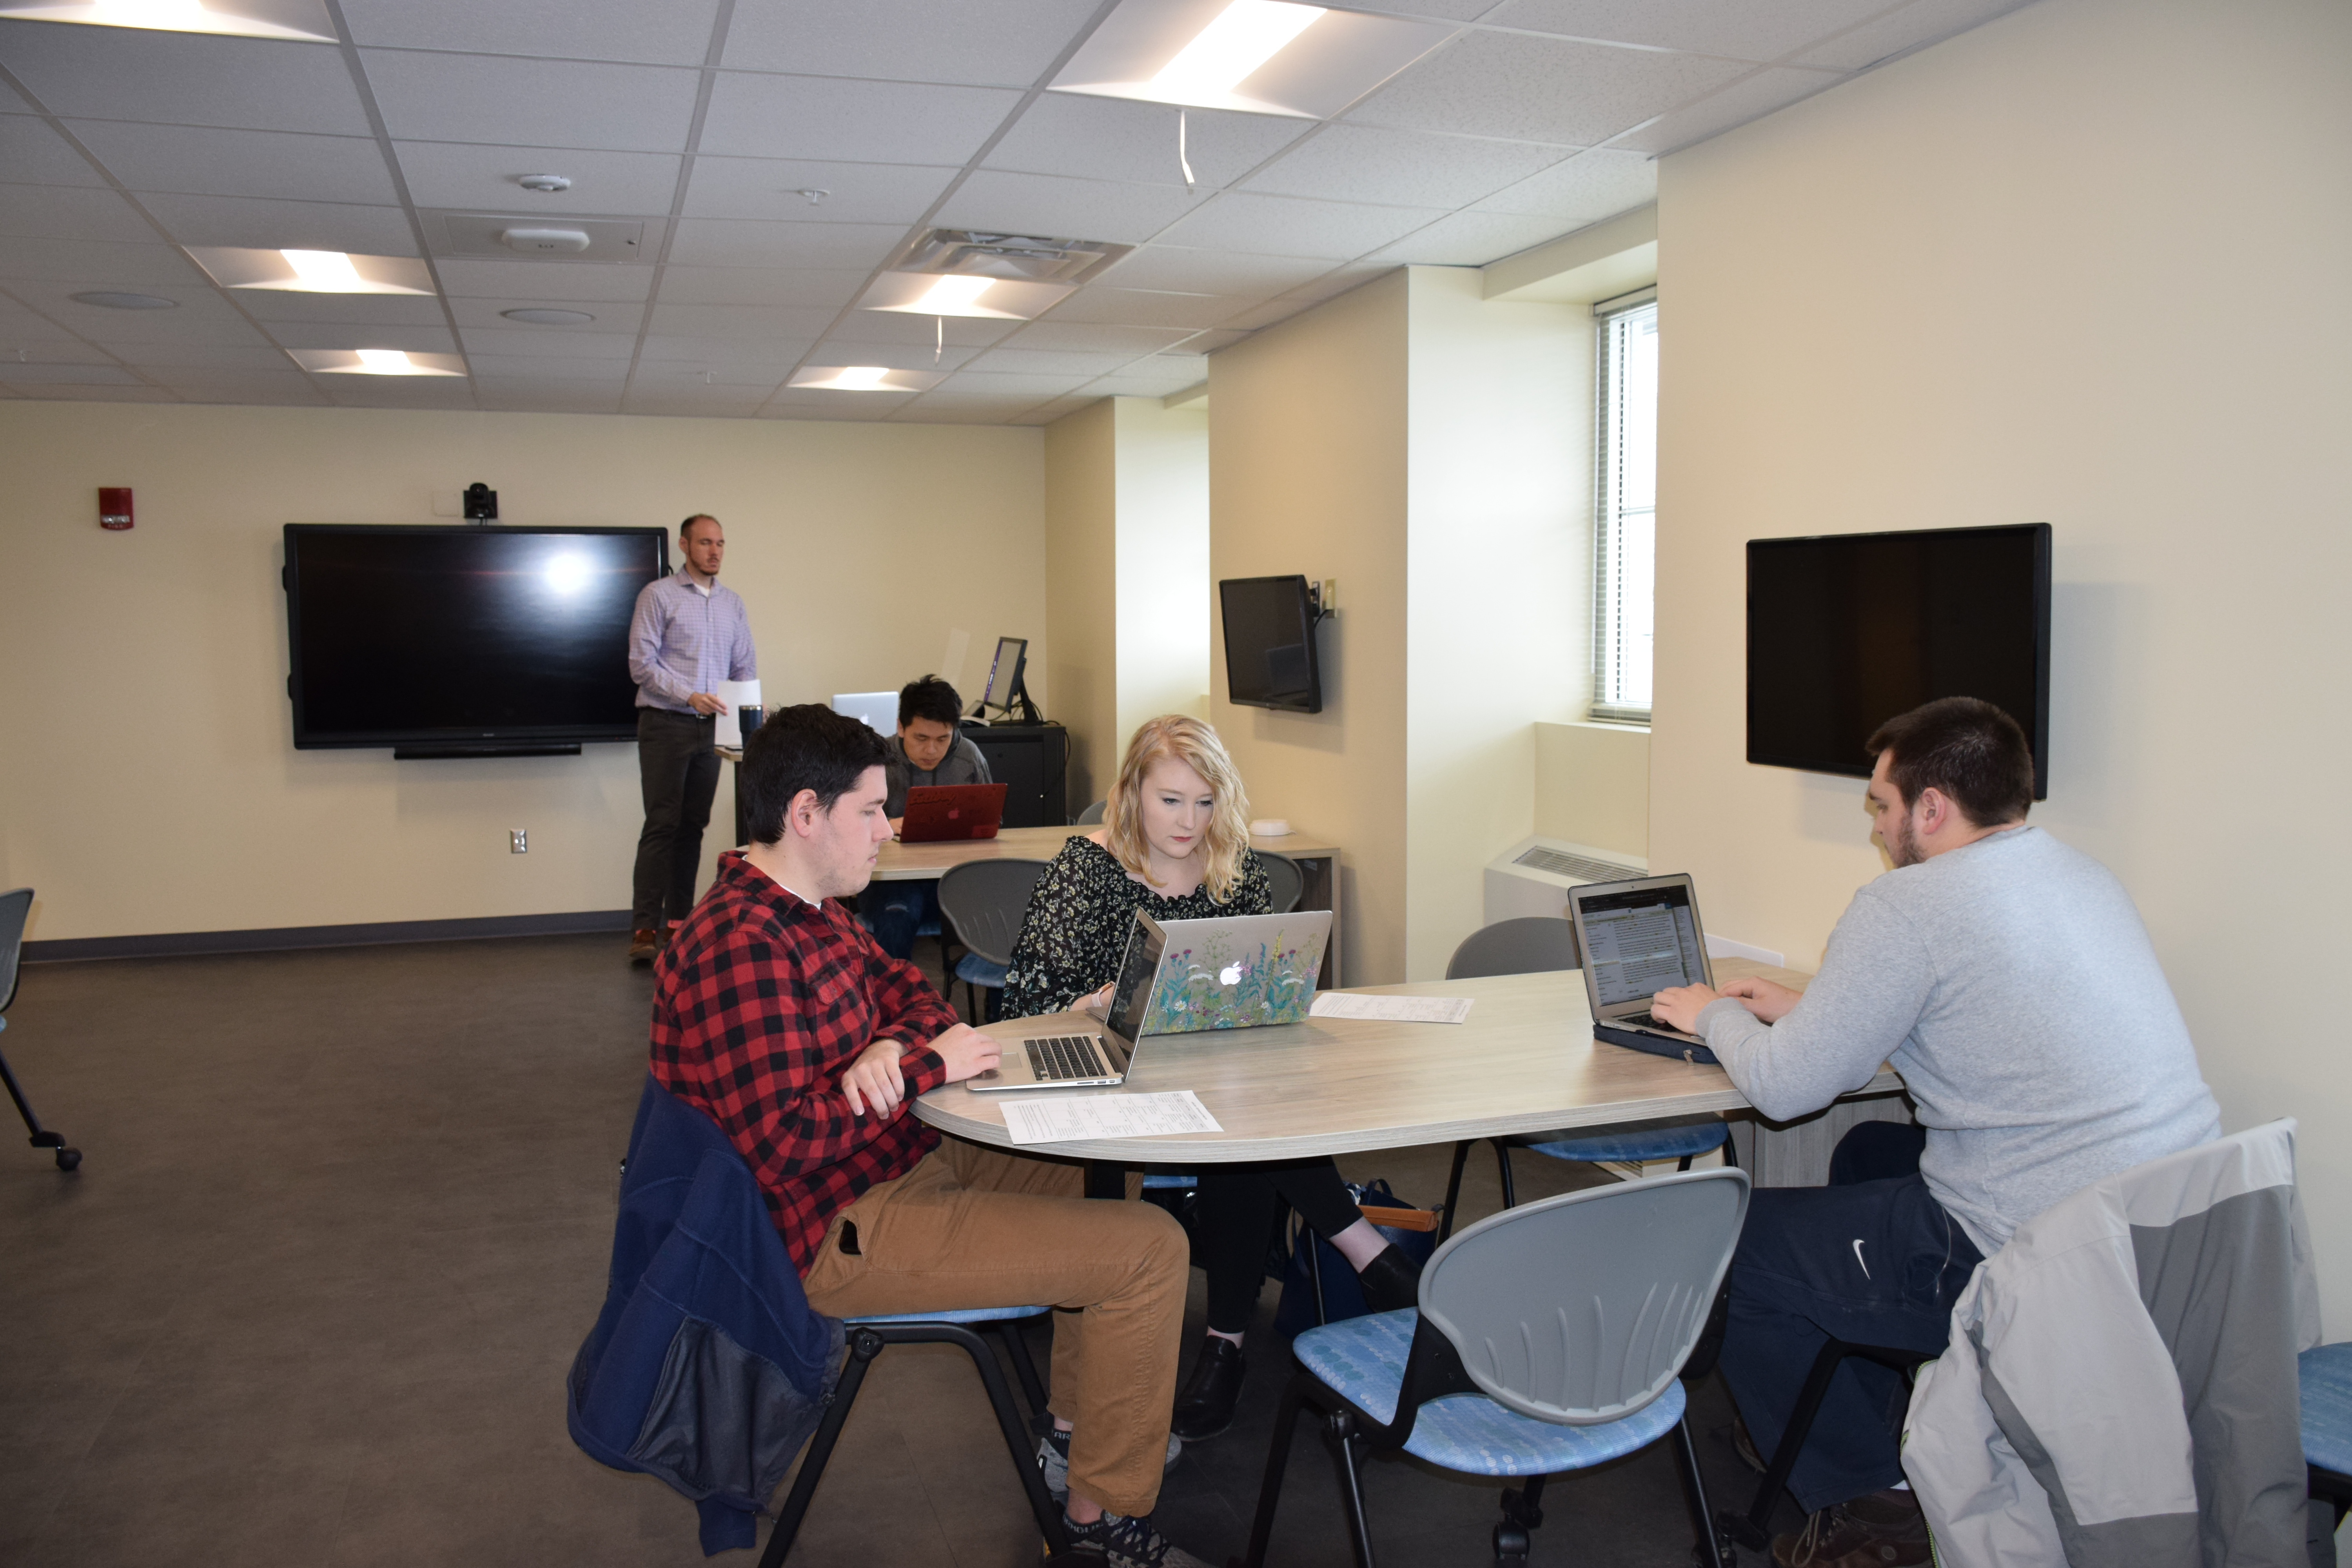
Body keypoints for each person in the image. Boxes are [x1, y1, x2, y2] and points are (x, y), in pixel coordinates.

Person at [1651, 696, 2221, 1568]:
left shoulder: (1908, 904)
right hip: (2169, 1232)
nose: (1877, 829)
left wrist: (1712, 1014)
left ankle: (1870, 1495)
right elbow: (1974, 1013)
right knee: (1866, 1151)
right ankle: (1857, 1399)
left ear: (1932, 807)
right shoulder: (2081, 875)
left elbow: (1784, 1088)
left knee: (1731, 1239)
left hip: (2030, 1251)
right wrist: (1814, 1009)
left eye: (1881, 806)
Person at [648, 704, 1213, 1568]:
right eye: (872, 810)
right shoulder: (742, 943)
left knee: (1105, 1176)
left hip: (894, 1162)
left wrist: (887, 1045)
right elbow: (784, 1144)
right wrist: (918, 1070)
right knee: (1150, 1249)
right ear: (805, 813)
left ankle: (1071, 1437)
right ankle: (1097, 1527)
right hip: (831, 1230)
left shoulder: (814, 909)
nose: (889, 828)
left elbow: (922, 1003)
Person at [1001, 715, 1420, 1442]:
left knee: (1245, 1126)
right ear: (1130, 792)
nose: (1189, 823)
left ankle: (1227, 1347)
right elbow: (1025, 1005)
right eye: (1170, 801)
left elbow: (1253, 981)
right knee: (1246, 1128)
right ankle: (1360, 1254)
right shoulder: (1087, 867)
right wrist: (1099, 1001)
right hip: (1114, 1083)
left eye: (1204, 803)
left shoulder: (1237, 866)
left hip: (1217, 1074)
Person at [626, 514, 756, 964]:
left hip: (712, 730)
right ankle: (644, 929)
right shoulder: (658, 596)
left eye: (720, 543)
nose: (714, 551)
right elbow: (641, 664)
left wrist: (742, 710)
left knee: (693, 827)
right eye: (705, 543)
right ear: (684, 546)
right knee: (662, 823)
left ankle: (679, 924)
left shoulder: (732, 604)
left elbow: (744, 667)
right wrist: (690, 695)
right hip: (666, 723)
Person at [859, 674, 994, 963]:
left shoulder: (969, 758)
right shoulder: (878, 760)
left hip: (953, 879)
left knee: (1002, 911)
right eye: (921, 738)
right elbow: (852, 826)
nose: (931, 750)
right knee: (897, 915)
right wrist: (884, 824)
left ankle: (1003, 1009)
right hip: (891, 882)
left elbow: (991, 824)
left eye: (942, 739)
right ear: (900, 727)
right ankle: (893, 1005)